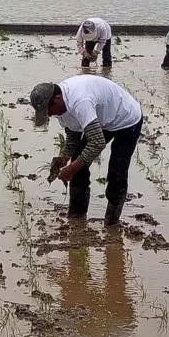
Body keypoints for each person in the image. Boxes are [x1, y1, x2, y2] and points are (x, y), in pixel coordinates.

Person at [29, 75, 143, 226]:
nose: (49, 115)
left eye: (48, 110)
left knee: (117, 172)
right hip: (101, 119)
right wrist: (65, 156)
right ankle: (77, 218)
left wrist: (71, 168)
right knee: (77, 163)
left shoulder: (80, 101)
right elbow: (73, 132)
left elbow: (97, 143)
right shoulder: (60, 105)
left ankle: (112, 223)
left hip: (126, 119)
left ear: (56, 99)